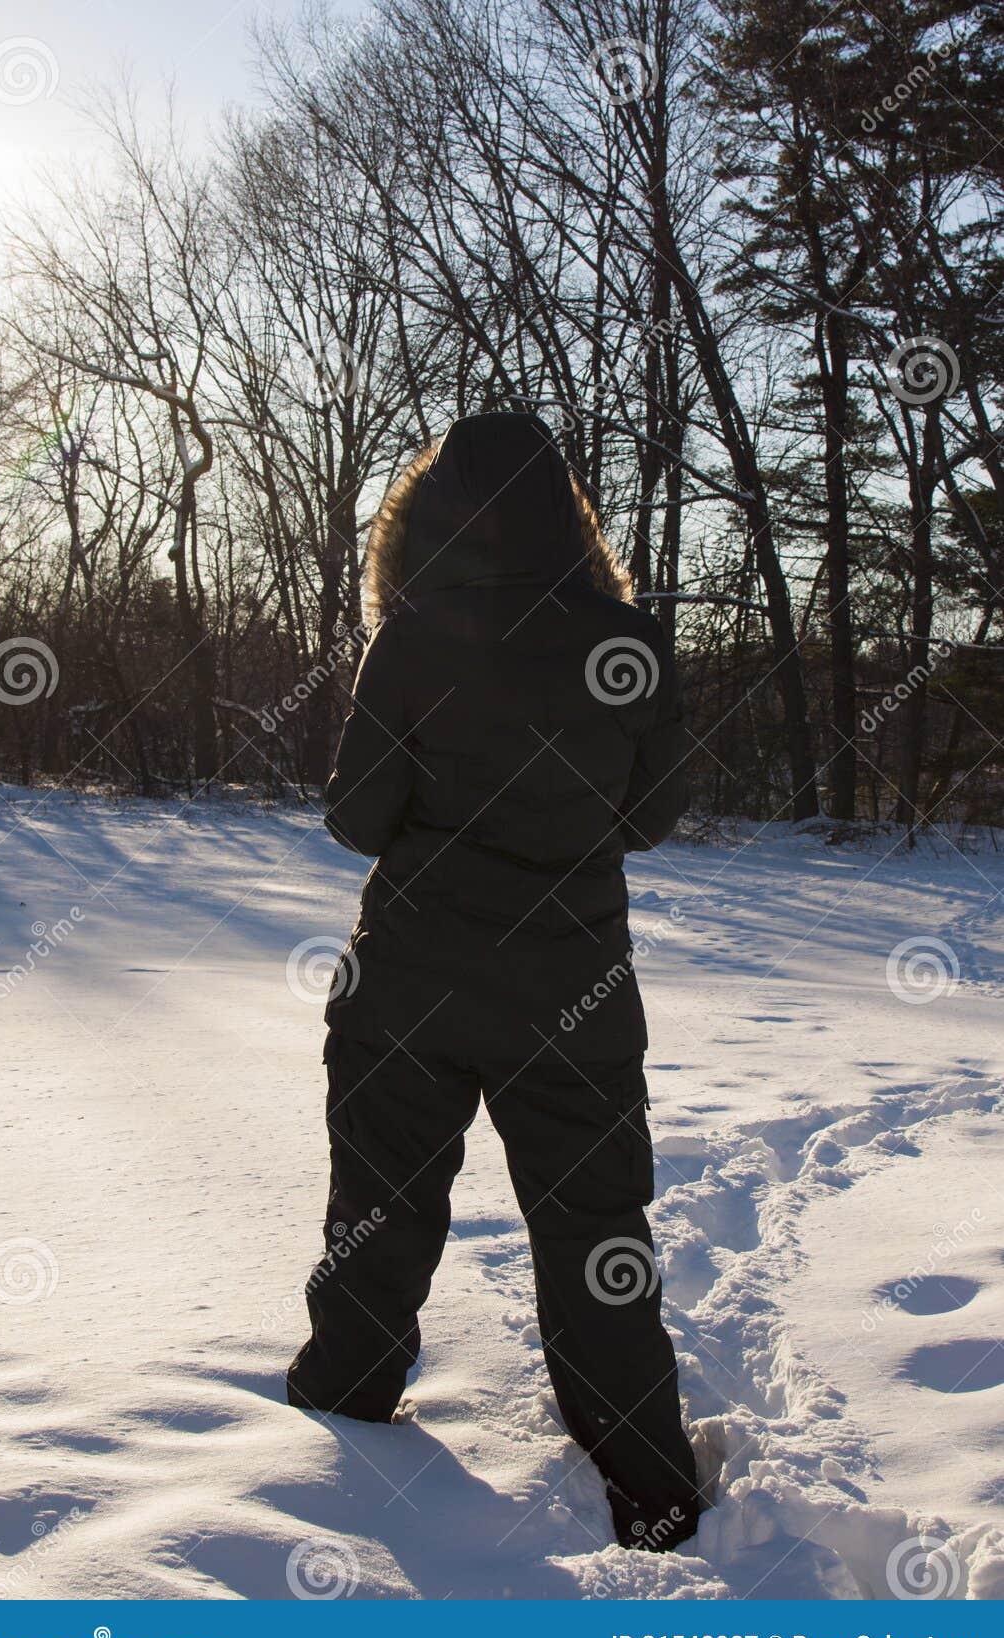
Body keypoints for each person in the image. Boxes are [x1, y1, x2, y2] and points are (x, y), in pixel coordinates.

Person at [287, 411, 700, 1552]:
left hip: (408, 990)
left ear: (431, 518)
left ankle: (341, 1413)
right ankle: (654, 1490)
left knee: (379, 1213)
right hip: (572, 998)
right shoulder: (631, 644)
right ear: (562, 511)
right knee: (595, 1236)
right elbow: (651, 819)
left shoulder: (411, 641)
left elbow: (355, 817)